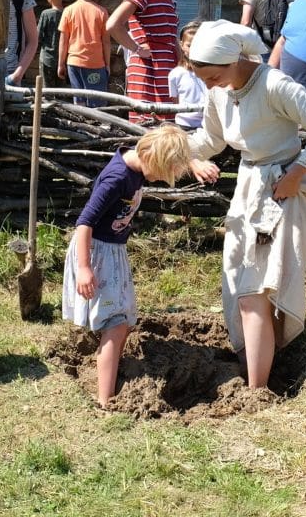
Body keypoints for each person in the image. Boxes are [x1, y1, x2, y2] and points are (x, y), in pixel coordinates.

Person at [186, 20, 306, 390]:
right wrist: (180, 152)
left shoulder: (273, 85)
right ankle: (261, 364)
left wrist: (297, 172)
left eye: (212, 77)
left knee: (254, 287)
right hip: (248, 187)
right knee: (242, 279)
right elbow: (210, 137)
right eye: (204, 79)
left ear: (233, 61)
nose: (209, 86)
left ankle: (256, 389)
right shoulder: (218, 92)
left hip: (281, 190)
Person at [62, 124, 192, 408]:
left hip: (113, 251)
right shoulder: (117, 177)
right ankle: (104, 400)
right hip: (96, 252)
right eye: (163, 173)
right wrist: (84, 268)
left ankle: (110, 373)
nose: (159, 180)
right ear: (155, 160)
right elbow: (84, 223)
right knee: (116, 324)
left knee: (123, 320)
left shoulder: (136, 167)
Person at [107, 0, 187, 122]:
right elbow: (113, 25)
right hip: (148, 71)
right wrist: (136, 48)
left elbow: (171, 36)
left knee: (166, 127)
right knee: (146, 127)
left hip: (167, 70)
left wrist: (183, 60)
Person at [57, 0, 112, 108]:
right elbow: (106, 41)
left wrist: (60, 64)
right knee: (97, 103)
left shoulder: (68, 11)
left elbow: (63, 41)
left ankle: (80, 130)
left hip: (74, 63)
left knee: (79, 102)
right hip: (95, 64)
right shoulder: (102, 12)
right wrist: (107, 64)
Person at [169, 20, 206, 129]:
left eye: (198, 45)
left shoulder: (212, 71)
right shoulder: (176, 74)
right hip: (184, 124)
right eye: (189, 45)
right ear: (181, 45)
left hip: (208, 124)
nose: (194, 50)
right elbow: (175, 101)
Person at [38, 0, 66, 88]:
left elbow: (38, 36)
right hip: (62, 59)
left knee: (46, 91)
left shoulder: (46, 14)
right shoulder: (67, 13)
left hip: (46, 58)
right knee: (61, 91)